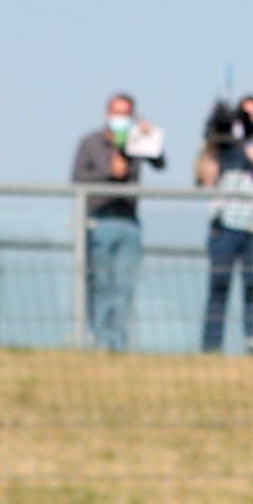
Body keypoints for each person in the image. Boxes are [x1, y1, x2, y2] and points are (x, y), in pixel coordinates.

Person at [69, 96, 164, 354]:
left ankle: (118, 343)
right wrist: (111, 173)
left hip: (129, 221)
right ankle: (99, 339)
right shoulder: (90, 143)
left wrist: (149, 136)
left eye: (126, 114)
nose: (120, 118)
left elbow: (160, 162)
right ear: (106, 113)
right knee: (100, 284)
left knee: (124, 286)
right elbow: (77, 178)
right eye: (116, 112)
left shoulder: (136, 141)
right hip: (98, 219)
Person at [194, 95, 253, 355]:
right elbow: (206, 179)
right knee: (218, 288)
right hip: (225, 227)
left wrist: (245, 145)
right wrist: (212, 143)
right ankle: (210, 350)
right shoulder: (221, 149)